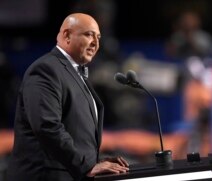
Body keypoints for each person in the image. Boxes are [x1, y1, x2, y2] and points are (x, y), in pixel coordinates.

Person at [6, 13, 129, 181]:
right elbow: (47, 126)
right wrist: (86, 166)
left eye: (98, 37)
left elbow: (74, 131)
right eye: (88, 34)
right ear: (67, 35)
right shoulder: (46, 70)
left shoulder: (72, 72)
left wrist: (95, 161)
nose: (96, 43)